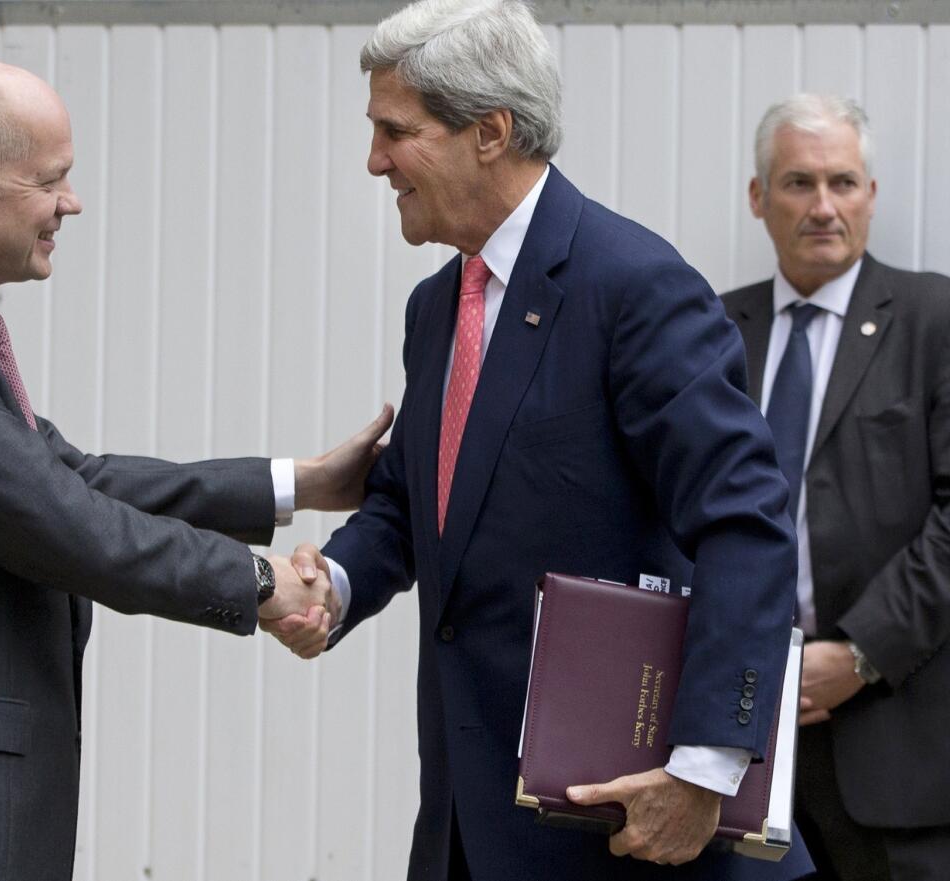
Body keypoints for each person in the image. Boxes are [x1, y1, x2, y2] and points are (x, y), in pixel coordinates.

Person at [0, 56, 391, 881]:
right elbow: (67, 523)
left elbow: (77, 478)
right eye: (50, 181)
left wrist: (303, 482)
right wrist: (263, 582)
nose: (71, 203)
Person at [267, 1, 813, 878]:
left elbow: (746, 520)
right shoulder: (439, 306)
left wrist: (706, 770)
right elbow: (422, 505)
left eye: (394, 132)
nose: (375, 161)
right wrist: (332, 583)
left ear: (490, 131)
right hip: (470, 826)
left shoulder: (636, 287)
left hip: (629, 827)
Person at [721, 94, 950, 881]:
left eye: (843, 182)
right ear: (758, 196)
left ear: (872, 195)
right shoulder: (715, 332)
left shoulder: (934, 318)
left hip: (896, 743)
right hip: (739, 743)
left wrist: (860, 653)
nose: (823, 206)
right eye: (798, 183)